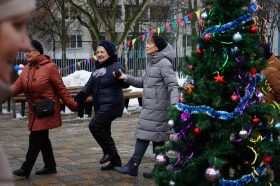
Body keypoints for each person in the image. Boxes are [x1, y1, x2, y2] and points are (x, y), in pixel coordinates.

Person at [114, 35, 179, 178]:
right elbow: (143, 82)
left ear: (157, 47)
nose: (147, 46)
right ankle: (159, 168)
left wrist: (175, 105)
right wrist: (126, 78)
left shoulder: (163, 63)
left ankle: (133, 165)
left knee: (144, 134)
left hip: (158, 107)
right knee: (158, 138)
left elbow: (173, 85)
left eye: (150, 43)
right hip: (152, 106)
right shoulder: (153, 63)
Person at [11, 40, 78, 178]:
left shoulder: (50, 67)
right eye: (25, 51)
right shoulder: (27, 69)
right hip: (34, 111)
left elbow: (61, 88)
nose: (27, 53)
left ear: (38, 51)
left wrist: (73, 105)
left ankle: (26, 168)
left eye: (30, 50)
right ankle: (50, 166)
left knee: (35, 137)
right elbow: (17, 86)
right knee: (43, 139)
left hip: (46, 109)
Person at [74, 40, 128, 171]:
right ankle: (116, 162)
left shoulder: (116, 65)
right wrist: (81, 95)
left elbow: (124, 81)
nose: (99, 54)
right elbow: (90, 84)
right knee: (105, 132)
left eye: (102, 52)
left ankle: (109, 152)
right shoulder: (97, 68)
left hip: (112, 105)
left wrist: (121, 77)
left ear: (109, 53)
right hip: (101, 105)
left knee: (94, 125)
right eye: (97, 52)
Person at [0, 0, 36, 184]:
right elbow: (20, 84)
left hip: (45, 112)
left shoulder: (48, 67)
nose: (26, 45)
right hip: (35, 114)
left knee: (39, 141)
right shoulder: (26, 69)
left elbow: (59, 86)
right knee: (39, 141)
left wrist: (70, 103)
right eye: (16, 25)